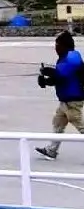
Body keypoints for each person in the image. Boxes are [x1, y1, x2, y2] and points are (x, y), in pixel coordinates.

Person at [35, 31, 84, 160]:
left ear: (64, 46)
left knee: (81, 127)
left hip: (72, 101)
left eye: (57, 45)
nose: (55, 48)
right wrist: (45, 81)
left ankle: (51, 150)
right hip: (65, 101)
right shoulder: (67, 57)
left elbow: (61, 76)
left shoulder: (71, 59)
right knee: (58, 123)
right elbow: (59, 78)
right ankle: (51, 150)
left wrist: (48, 72)